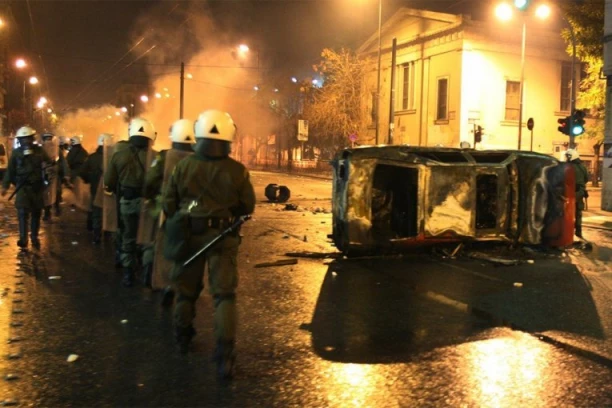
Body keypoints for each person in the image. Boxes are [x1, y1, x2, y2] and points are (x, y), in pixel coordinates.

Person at [161, 110, 255, 378]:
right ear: (229, 138)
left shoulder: (183, 167)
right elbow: (247, 205)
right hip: (223, 238)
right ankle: (225, 354)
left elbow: (169, 203)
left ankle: (182, 336)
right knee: (224, 295)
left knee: (186, 291)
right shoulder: (237, 171)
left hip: (189, 237)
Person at [143, 119, 194, 300]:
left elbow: (151, 180)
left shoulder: (164, 157)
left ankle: (160, 281)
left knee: (160, 244)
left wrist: (149, 196)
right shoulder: (200, 159)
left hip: (167, 210)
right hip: (192, 212)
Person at [105, 118, 156, 287]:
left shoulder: (119, 155)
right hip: (149, 203)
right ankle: (147, 272)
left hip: (127, 202)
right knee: (148, 237)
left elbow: (109, 182)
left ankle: (128, 274)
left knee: (128, 236)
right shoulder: (155, 157)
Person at [1, 126, 53, 250]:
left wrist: (48, 171)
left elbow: (49, 164)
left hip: (36, 188)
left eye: (28, 138)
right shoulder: (16, 153)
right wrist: (5, 185)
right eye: (23, 139)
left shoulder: (39, 151)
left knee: (36, 213)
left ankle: (34, 237)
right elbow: (11, 170)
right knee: (22, 213)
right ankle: (23, 239)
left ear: (32, 138)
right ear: (20, 140)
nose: (26, 141)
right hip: (23, 188)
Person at [80, 134, 107, 244]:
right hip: (111, 189)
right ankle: (108, 233)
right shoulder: (113, 156)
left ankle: (96, 234)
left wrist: (89, 179)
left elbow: (82, 172)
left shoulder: (92, 158)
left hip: (95, 188)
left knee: (96, 210)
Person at [566, 149, 589, 238]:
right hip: (580, 192)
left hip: (572, 192)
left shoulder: (569, 167)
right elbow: (586, 178)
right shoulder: (583, 167)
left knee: (568, 212)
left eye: (568, 156)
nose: (567, 158)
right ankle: (578, 231)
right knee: (578, 213)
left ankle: (568, 231)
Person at [40, 133, 59, 221]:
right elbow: (62, 162)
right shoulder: (56, 148)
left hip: (43, 172)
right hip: (53, 173)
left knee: (44, 192)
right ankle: (51, 210)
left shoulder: (41, 148)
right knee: (52, 192)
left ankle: (46, 211)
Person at [55, 136, 70, 214]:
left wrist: (65, 174)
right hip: (52, 173)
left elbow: (64, 164)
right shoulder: (52, 150)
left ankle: (56, 206)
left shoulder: (58, 151)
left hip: (56, 174)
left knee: (57, 190)